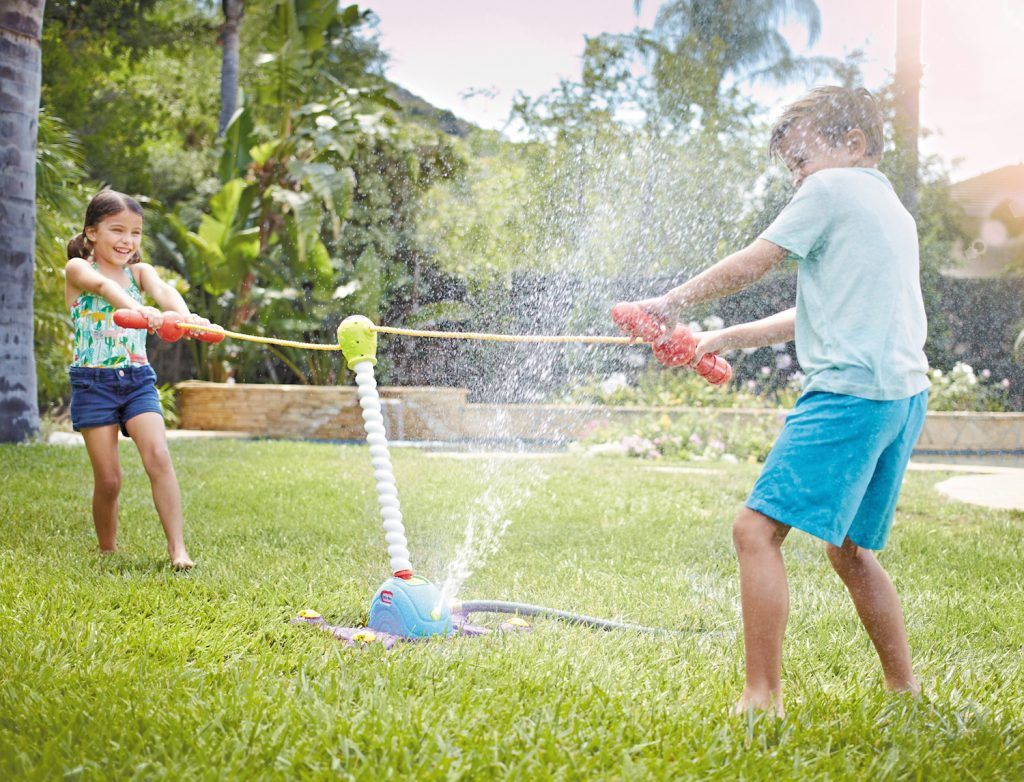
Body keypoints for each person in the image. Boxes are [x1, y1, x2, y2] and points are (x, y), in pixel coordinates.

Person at [621, 86, 929, 715]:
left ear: (853, 144)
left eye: (801, 160)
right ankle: (905, 690)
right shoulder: (888, 206)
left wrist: (668, 303)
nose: (798, 178)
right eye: (790, 167)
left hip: (847, 392)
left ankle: (761, 699)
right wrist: (720, 336)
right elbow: (814, 310)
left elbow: (754, 263)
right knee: (848, 549)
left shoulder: (830, 190)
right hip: (899, 396)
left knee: (754, 530)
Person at [65, 189, 208, 569]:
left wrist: (187, 317)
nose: (128, 241)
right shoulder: (79, 269)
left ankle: (178, 550)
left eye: (136, 233)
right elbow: (103, 289)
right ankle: (107, 548)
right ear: (92, 232)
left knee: (159, 457)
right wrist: (138, 310)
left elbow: (166, 292)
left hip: (137, 380)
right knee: (109, 480)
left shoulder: (140, 273)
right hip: (93, 382)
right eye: (117, 230)